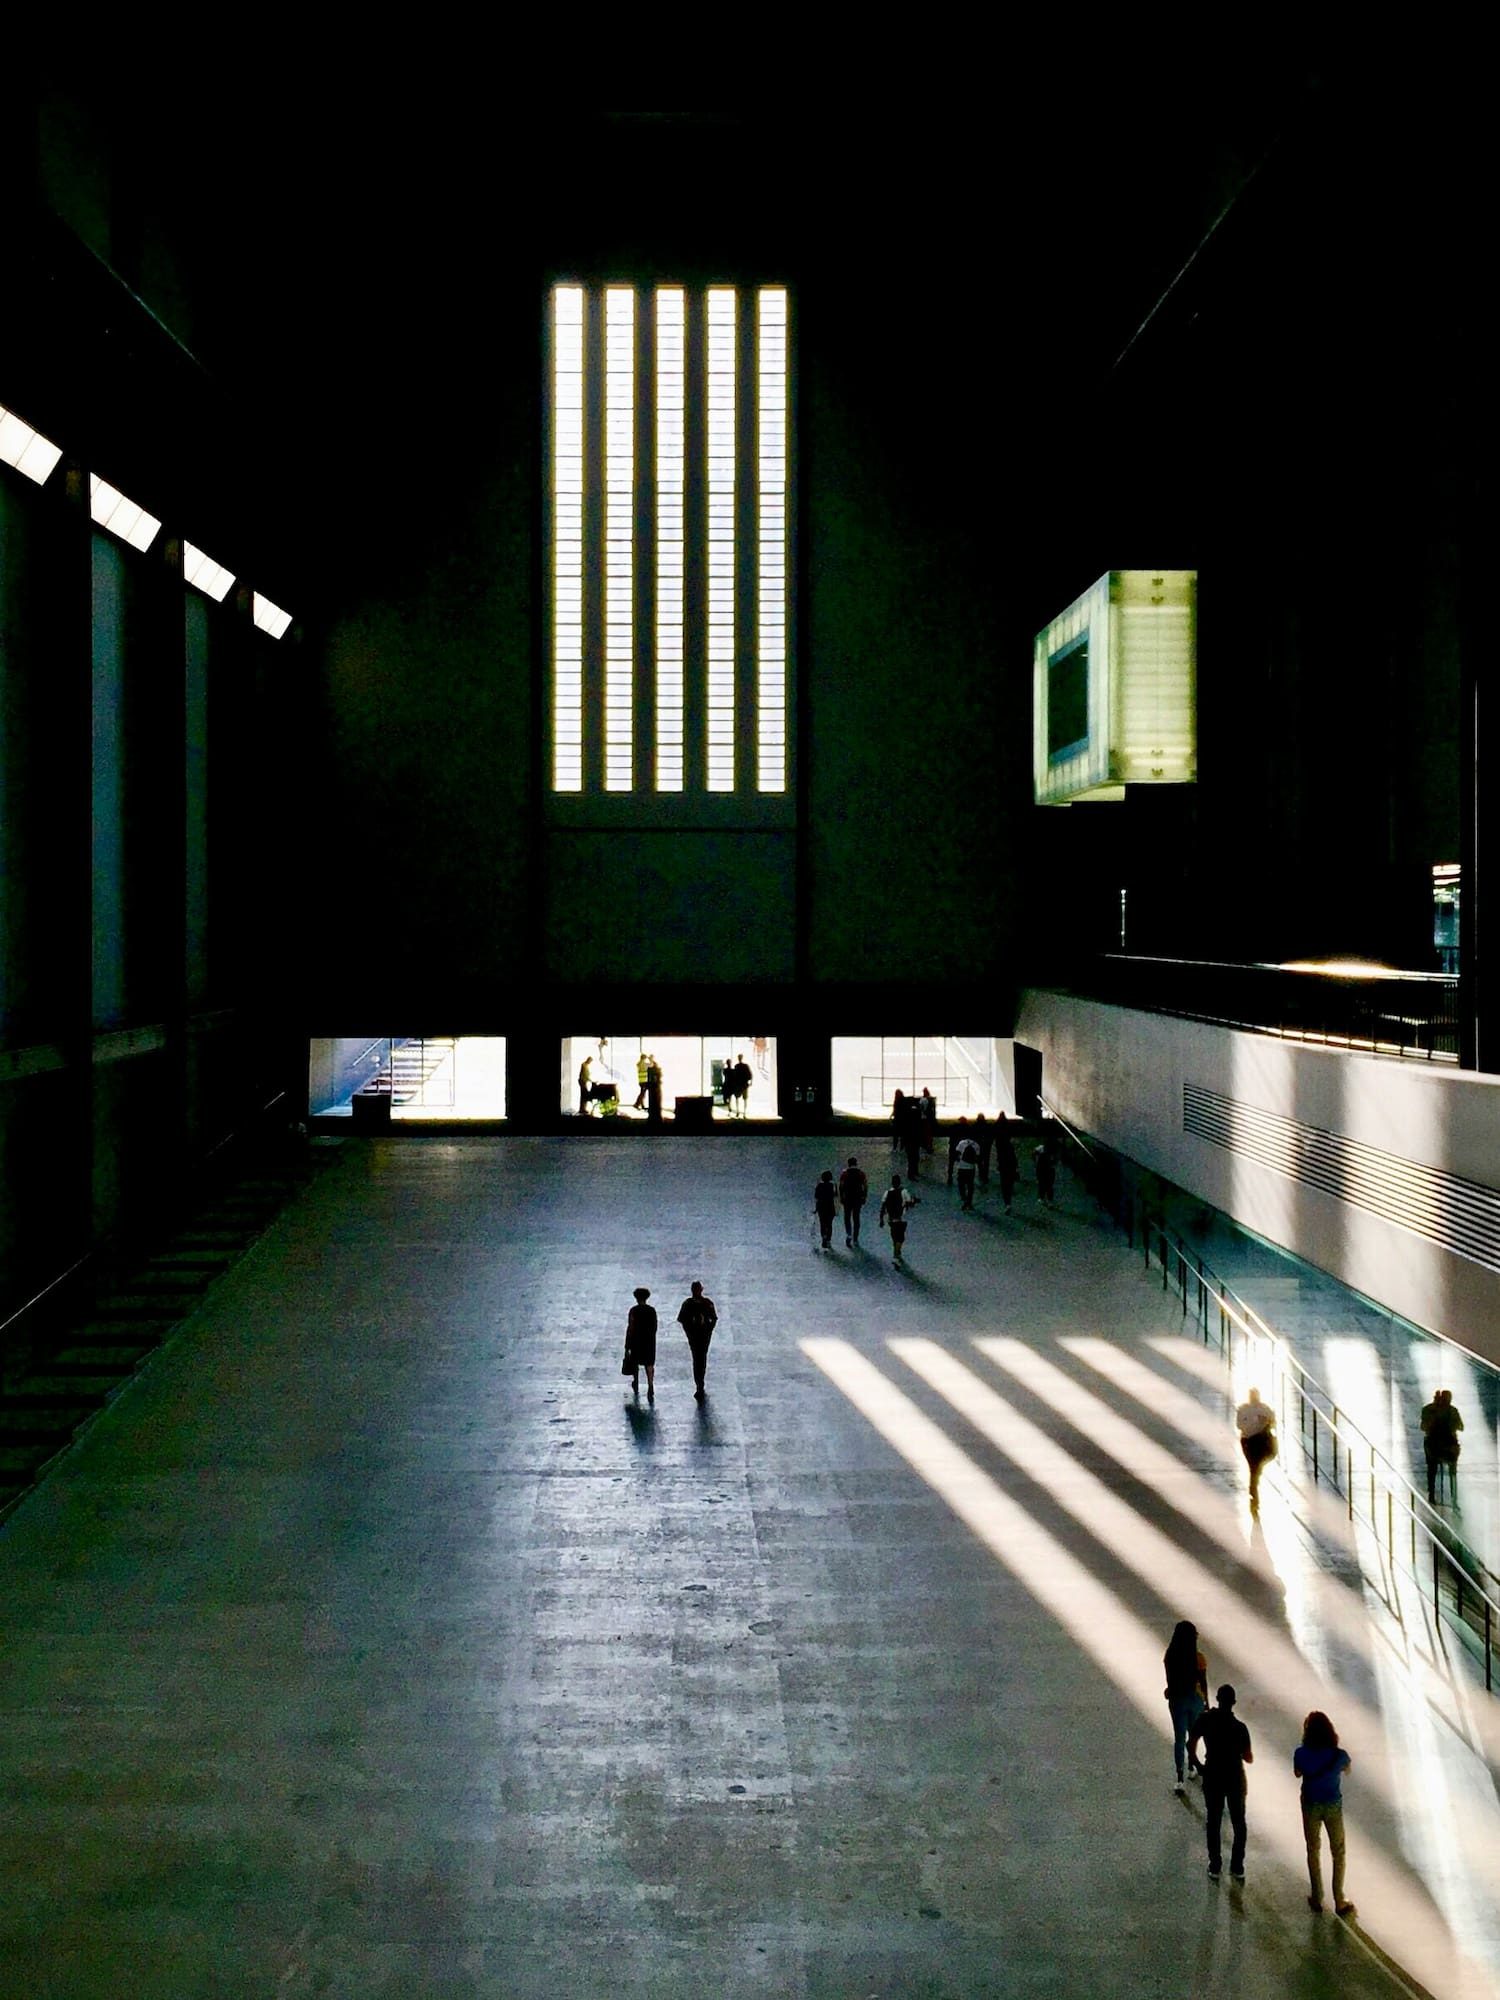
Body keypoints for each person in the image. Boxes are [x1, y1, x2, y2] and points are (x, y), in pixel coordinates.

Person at [1190, 1684, 1253, 1883]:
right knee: (1239, 1824)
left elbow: (1190, 1743)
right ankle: (1237, 1866)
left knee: (1214, 1822)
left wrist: (1199, 1766)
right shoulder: (1240, 1728)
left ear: (1217, 1699)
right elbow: (1248, 1757)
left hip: (1213, 1775)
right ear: (1233, 1703)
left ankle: (1215, 1865)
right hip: (1235, 1777)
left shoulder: (1206, 1719)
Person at [1295, 1711, 1354, 1916]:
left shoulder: (1301, 1753)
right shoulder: (1339, 1755)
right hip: (1332, 1806)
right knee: (1338, 1852)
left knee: (1313, 1849)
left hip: (1311, 1804)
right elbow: (1347, 1769)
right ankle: (1339, 1900)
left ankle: (1317, 1896)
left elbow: (1297, 1773)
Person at [1163, 1620, 1209, 1795]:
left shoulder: (1170, 1656)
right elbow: (1203, 1683)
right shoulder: (1198, 1658)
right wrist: (1206, 1703)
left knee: (1179, 1738)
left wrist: (1171, 1691)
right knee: (1193, 1735)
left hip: (1176, 1700)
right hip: (1195, 1699)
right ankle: (1192, 1766)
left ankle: (1179, 1778)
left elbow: (1169, 1680)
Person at [676, 1280, 718, 1402]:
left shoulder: (703, 1303)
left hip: (702, 1335)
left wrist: (708, 1329)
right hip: (696, 1335)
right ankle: (699, 1383)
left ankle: (700, 1383)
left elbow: (713, 1319)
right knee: (699, 1358)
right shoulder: (692, 1304)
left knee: (700, 1358)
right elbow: (683, 1320)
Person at [1421, 1387, 1464, 1503]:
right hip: (1434, 1444)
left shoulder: (1452, 1411)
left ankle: (1451, 1495)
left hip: (1447, 1445)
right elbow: (1424, 1427)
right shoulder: (1429, 1410)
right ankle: (1433, 1493)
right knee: (1433, 1467)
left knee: (1442, 1466)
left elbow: (1461, 1427)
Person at [1236, 1387, 1277, 1507]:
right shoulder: (1243, 1409)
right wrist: (1255, 1424)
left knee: (1255, 1467)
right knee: (1253, 1466)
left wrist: (1266, 1422)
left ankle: (1253, 1487)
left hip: (1261, 1441)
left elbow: (1273, 1422)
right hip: (1249, 1441)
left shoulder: (1264, 1409)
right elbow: (1239, 1425)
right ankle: (1253, 1489)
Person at [624, 1286, 658, 1403]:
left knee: (635, 1363)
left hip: (636, 1340)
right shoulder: (651, 1311)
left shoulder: (633, 1310)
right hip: (649, 1340)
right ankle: (650, 1385)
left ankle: (636, 1383)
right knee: (649, 1364)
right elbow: (655, 1327)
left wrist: (627, 1344)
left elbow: (631, 1327)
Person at [879, 1174, 916, 1265]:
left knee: (894, 1237)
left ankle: (897, 1252)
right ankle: (896, 1256)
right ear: (899, 1182)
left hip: (891, 1219)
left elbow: (883, 1207)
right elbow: (910, 1203)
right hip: (901, 1219)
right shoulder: (904, 1191)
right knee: (900, 1238)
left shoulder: (887, 1193)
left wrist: (881, 1219)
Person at [838, 1156, 868, 1246]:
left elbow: (841, 1186)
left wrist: (841, 1196)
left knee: (847, 1217)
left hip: (847, 1197)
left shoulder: (844, 1173)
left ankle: (849, 1234)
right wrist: (864, 1196)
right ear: (856, 1163)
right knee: (856, 1217)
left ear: (848, 1164)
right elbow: (865, 1185)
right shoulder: (861, 1173)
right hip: (858, 1197)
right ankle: (855, 1238)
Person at [994, 1114, 1018, 1212]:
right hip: (1010, 1168)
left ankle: (1007, 1203)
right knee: (1009, 1184)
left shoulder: (997, 1125)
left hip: (1003, 1168)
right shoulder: (1010, 1149)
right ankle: (1008, 1201)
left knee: (1004, 1185)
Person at [954, 1127, 979, 1211]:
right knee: (970, 1185)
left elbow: (957, 1154)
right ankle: (969, 1201)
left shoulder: (962, 1143)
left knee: (961, 1184)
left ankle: (964, 1198)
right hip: (971, 1168)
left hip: (962, 1167)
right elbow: (977, 1158)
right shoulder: (976, 1145)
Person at [813, 1169, 839, 1249]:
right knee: (829, 1224)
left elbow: (816, 1197)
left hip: (821, 1207)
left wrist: (816, 1209)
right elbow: (836, 1196)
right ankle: (828, 1239)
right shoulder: (833, 1185)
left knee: (822, 1223)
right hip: (830, 1207)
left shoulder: (819, 1185)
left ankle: (823, 1236)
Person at [1035, 1135, 1058, 1206]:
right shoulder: (1051, 1151)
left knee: (1043, 1185)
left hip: (1043, 1169)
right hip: (1048, 1169)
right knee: (1048, 1185)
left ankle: (1044, 1199)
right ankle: (1048, 1200)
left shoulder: (1041, 1149)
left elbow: (1033, 1154)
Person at [975, 1112, 992, 1187]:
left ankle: (981, 1173)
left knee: (979, 1161)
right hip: (986, 1146)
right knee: (986, 1161)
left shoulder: (976, 1126)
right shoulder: (988, 1126)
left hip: (979, 1146)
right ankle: (985, 1175)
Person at [646, 1053, 663, 1126]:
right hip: (655, 1087)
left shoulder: (651, 1067)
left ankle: (654, 1118)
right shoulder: (654, 1067)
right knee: (655, 1103)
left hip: (653, 1087)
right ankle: (656, 1118)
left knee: (653, 1103)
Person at [919, 1087, 937, 1155]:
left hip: (924, 1118)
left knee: (924, 1132)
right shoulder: (931, 1100)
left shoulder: (923, 1100)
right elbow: (934, 1109)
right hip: (930, 1118)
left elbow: (920, 1108)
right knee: (929, 1133)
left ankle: (926, 1146)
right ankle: (929, 1146)